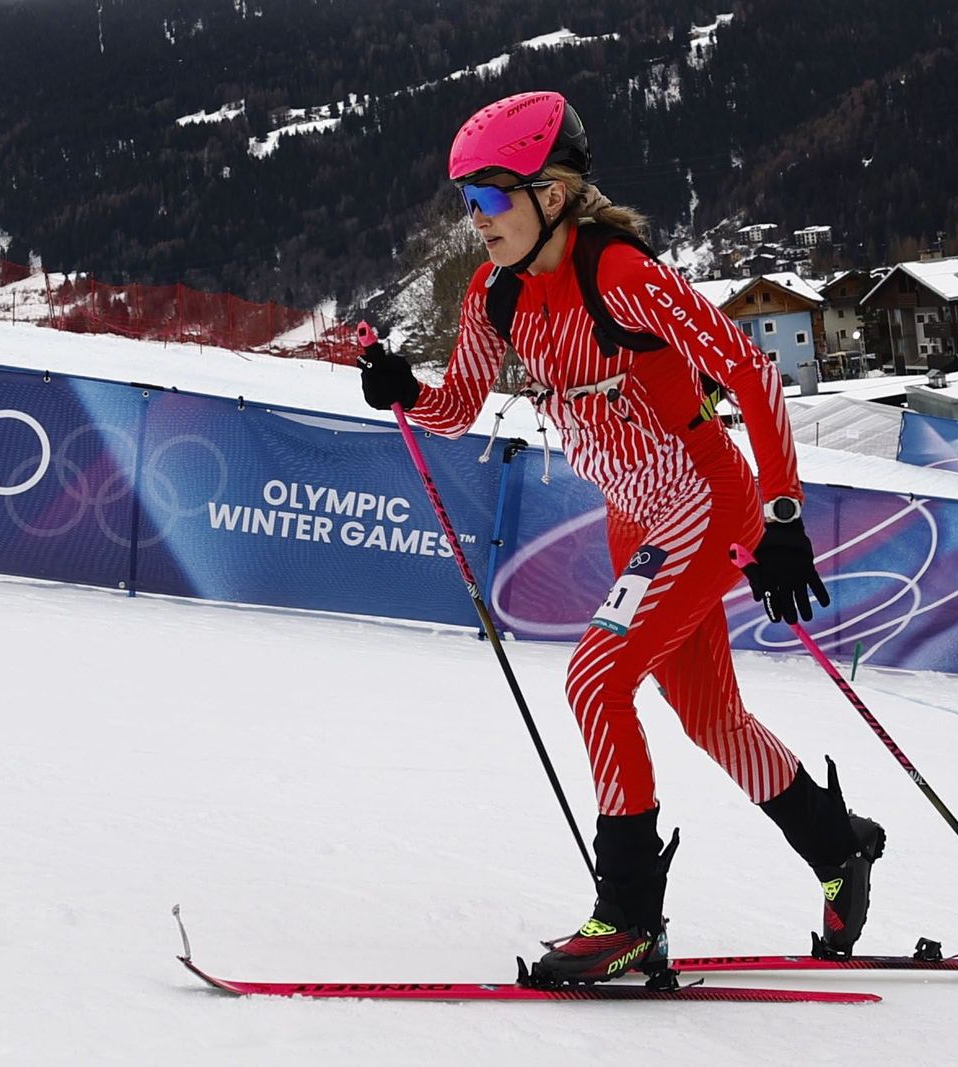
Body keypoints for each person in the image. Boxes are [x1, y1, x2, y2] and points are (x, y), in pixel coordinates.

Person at [358, 91, 884, 987]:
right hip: (634, 514)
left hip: (704, 500)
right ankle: (841, 846)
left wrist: (784, 514)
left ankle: (630, 914)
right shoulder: (495, 294)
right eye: (466, 202)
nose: (474, 221)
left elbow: (752, 373)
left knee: (596, 676)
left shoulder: (624, 276)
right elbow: (457, 407)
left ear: (552, 196)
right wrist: (404, 389)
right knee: (711, 718)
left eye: (489, 199)